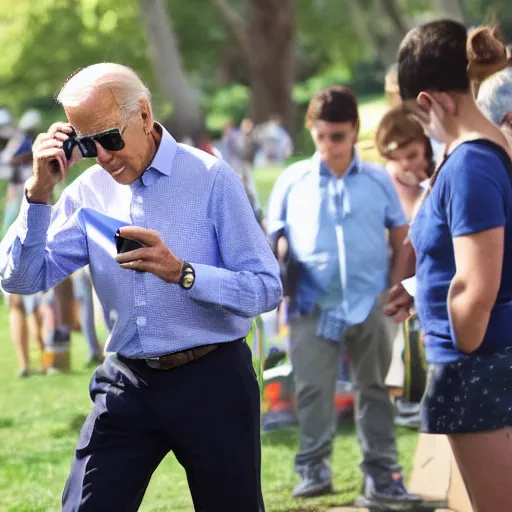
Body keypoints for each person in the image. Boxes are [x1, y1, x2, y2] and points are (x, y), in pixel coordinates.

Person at [0, 63, 282, 511]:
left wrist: (183, 273)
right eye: (87, 144)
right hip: (127, 382)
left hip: (213, 379)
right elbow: (21, 279)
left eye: (110, 138)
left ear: (145, 116)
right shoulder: (87, 191)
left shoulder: (211, 178)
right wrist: (38, 192)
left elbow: (266, 288)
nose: (104, 156)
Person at [267, 85, 420, 508]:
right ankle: (313, 468)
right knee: (313, 390)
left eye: (339, 136)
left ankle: (383, 474)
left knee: (375, 389)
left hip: (370, 300)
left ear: (354, 130)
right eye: (322, 136)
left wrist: (396, 285)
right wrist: (281, 270)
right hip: (312, 306)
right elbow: (273, 239)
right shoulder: (291, 181)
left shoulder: (376, 180)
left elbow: (401, 234)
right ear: (311, 131)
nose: (331, 145)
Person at [388, 20, 512, 511]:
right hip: (479, 365)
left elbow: (477, 286)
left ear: (429, 102)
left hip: (474, 368)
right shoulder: (485, 154)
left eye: (418, 120)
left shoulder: (469, 163)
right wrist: (423, 291)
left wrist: (457, 336)